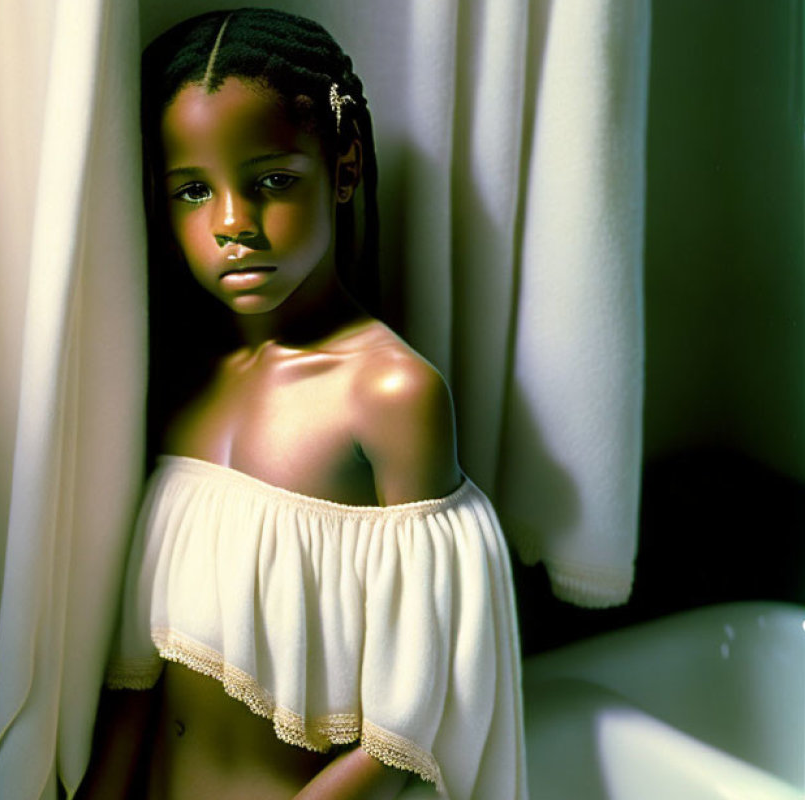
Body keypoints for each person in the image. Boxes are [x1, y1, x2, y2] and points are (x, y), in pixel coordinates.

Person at [78, 8, 527, 799]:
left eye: (272, 182)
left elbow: (412, 729)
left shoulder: (391, 396)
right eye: (191, 191)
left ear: (344, 169)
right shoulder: (179, 377)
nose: (231, 226)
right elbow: (135, 682)